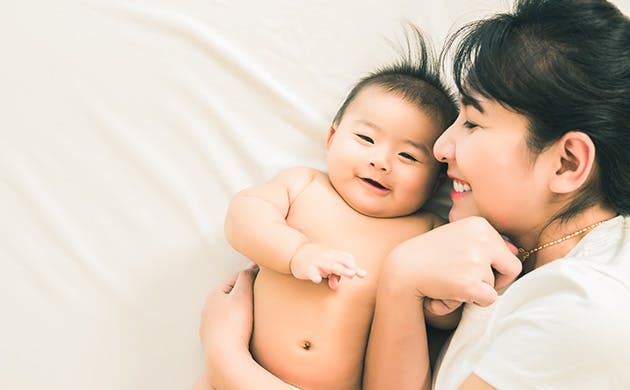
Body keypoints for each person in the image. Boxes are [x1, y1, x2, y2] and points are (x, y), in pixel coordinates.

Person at [198, 0, 630, 388]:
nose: (442, 150)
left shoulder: (586, 312)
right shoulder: (509, 254)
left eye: (473, 123)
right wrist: (402, 287)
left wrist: (228, 359)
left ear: (567, 163)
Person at [197, 30, 459, 390]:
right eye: (366, 139)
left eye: (408, 156)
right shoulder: (305, 186)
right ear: (332, 139)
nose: (381, 161)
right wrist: (296, 252)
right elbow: (243, 216)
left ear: (436, 183)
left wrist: (442, 310)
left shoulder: (427, 229)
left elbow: (435, 314)